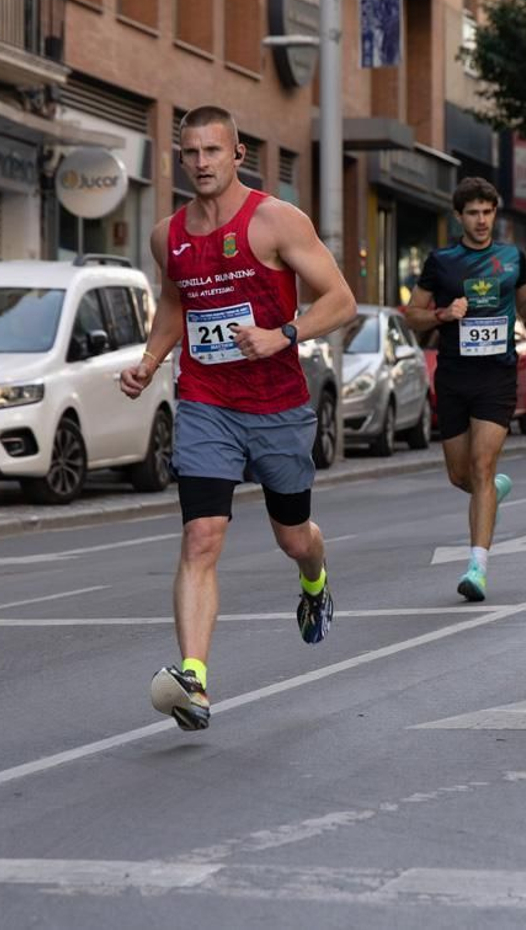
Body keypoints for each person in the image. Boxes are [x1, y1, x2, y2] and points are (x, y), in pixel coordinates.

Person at [120, 106, 357, 731]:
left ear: (237, 155)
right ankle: (193, 680)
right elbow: (176, 302)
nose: (200, 164)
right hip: (206, 404)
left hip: (278, 408)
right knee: (202, 537)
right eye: (190, 153)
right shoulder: (166, 234)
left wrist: (285, 334)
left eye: (212, 152)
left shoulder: (277, 221)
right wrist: (149, 360)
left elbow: (342, 300)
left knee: (293, 536)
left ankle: (314, 580)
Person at [403, 177, 526, 601]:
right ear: (459, 216)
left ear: (495, 214)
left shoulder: (511, 257)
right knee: (460, 475)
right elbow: (412, 315)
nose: (481, 220)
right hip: (453, 376)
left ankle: (477, 570)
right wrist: (444, 314)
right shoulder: (442, 261)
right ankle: (493, 491)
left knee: (482, 467)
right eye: (473, 213)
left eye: (487, 212)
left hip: (497, 376)